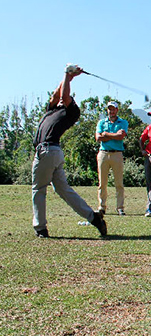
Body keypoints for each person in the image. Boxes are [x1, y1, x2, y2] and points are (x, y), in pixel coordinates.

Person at [32, 64, 107, 238]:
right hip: (53, 152)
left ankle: (40, 228)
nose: (59, 99)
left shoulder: (72, 112)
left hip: (47, 150)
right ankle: (94, 218)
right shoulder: (53, 110)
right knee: (63, 190)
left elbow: (64, 95)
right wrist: (70, 76)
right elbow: (57, 94)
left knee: (38, 189)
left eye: (63, 99)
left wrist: (67, 73)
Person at [95, 101, 128, 216]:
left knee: (119, 183)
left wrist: (106, 134)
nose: (111, 111)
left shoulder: (123, 122)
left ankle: (120, 207)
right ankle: (102, 206)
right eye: (109, 109)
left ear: (117, 110)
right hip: (103, 154)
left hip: (117, 154)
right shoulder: (101, 122)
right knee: (102, 183)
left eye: (113, 109)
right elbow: (98, 138)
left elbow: (120, 137)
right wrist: (113, 135)